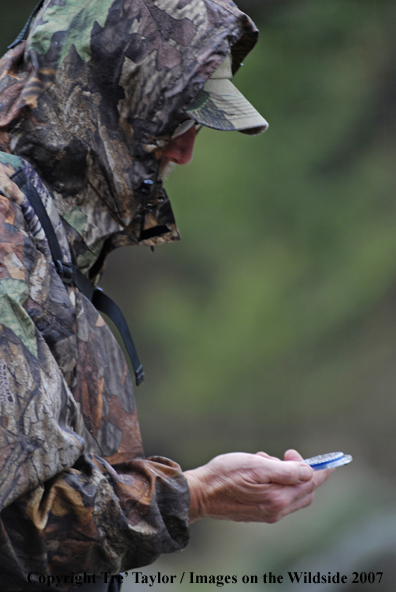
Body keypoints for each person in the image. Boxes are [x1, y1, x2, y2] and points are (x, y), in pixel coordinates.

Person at [0, 0, 332, 590]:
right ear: (106, 97)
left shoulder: (49, 234)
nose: (184, 151)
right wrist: (198, 493)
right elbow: (23, 523)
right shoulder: (7, 233)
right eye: (172, 119)